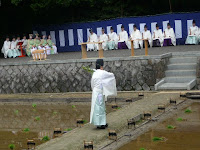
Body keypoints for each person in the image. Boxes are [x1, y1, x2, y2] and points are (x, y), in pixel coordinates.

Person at [90, 59, 117, 129]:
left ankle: (98, 123)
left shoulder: (94, 73)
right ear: (102, 66)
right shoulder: (102, 72)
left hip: (95, 92)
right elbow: (111, 75)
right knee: (100, 107)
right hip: (99, 93)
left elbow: (92, 84)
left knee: (96, 108)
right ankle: (101, 123)